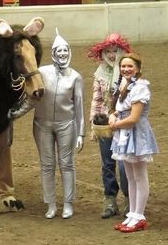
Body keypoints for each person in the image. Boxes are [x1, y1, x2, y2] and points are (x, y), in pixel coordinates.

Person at [9, 28, 85, 219]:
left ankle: (68, 203)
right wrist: (14, 114)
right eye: (59, 51)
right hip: (42, 124)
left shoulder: (75, 77)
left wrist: (81, 133)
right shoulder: (41, 72)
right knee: (47, 165)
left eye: (65, 51)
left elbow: (79, 108)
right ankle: (50, 204)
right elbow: (31, 99)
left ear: (69, 52)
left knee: (67, 164)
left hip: (67, 124)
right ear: (53, 53)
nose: (62, 54)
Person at [109, 53, 158, 232]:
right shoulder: (126, 85)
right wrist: (112, 115)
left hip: (136, 134)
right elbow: (119, 109)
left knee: (139, 175)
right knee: (130, 176)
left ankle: (139, 215)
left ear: (137, 68)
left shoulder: (140, 88)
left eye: (130, 66)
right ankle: (133, 213)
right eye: (123, 66)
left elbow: (134, 118)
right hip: (125, 134)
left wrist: (115, 125)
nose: (126, 69)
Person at [87, 33, 131, 219]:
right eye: (109, 51)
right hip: (105, 124)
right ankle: (110, 199)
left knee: (124, 165)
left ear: (121, 51)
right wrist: (94, 125)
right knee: (108, 164)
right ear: (103, 53)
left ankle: (131, 200)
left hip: (124, 123)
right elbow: (97, 99)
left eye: (115, 51)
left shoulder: (128, 70)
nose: (112, 55)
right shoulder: (100, 73)